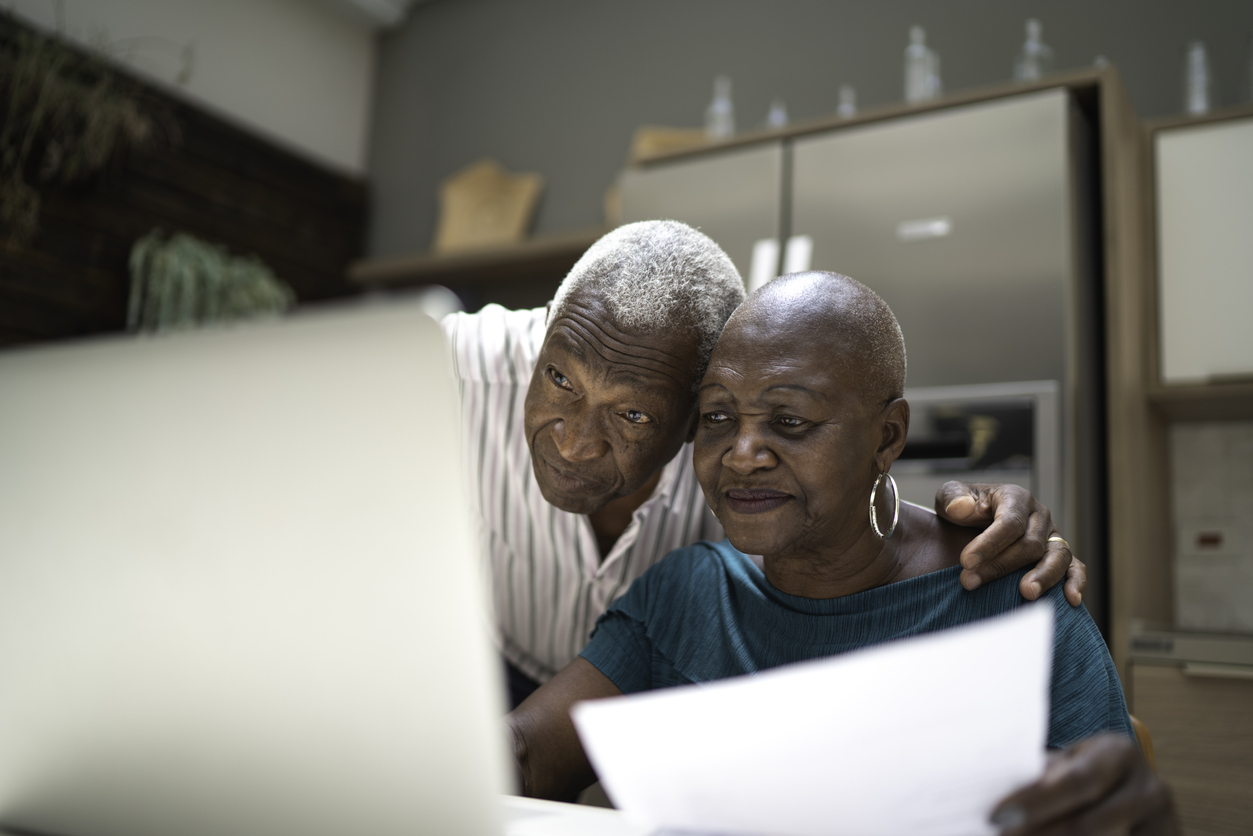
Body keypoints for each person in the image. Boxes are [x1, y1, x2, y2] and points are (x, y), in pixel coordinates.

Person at [506, 272, 1178, 833]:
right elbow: (529, 756)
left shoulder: (1010, 596)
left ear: (886, 437)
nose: (742, 455)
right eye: (717, 418)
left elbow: (1112, 812)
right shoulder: (684, 594)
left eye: (790, 422)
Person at [443, 221, 1086, 708]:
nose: (577, 444)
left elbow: (850, 505)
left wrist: (1005, 522)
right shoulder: (456, 368)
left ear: (693, 411)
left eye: (634, 415)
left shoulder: (739, 466)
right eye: (559, 379)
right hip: (481, 659)